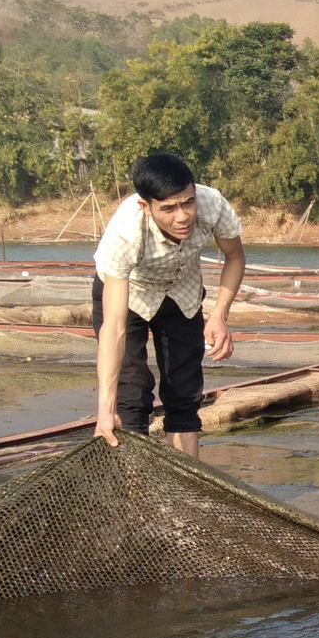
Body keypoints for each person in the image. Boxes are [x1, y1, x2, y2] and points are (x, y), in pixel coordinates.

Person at [91, 154, 246, 455]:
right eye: (168, 208)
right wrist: (105, 409)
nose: (182, 216)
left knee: (184, 391)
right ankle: (132, 490)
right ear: (145, 206)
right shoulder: (126, 232)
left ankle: (184, 485)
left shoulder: (212, 204)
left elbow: (235, 257)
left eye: (188, 202)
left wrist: (218, 316)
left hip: (181, 291)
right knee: (131, 394)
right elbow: (114, 326)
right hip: (130, 295)